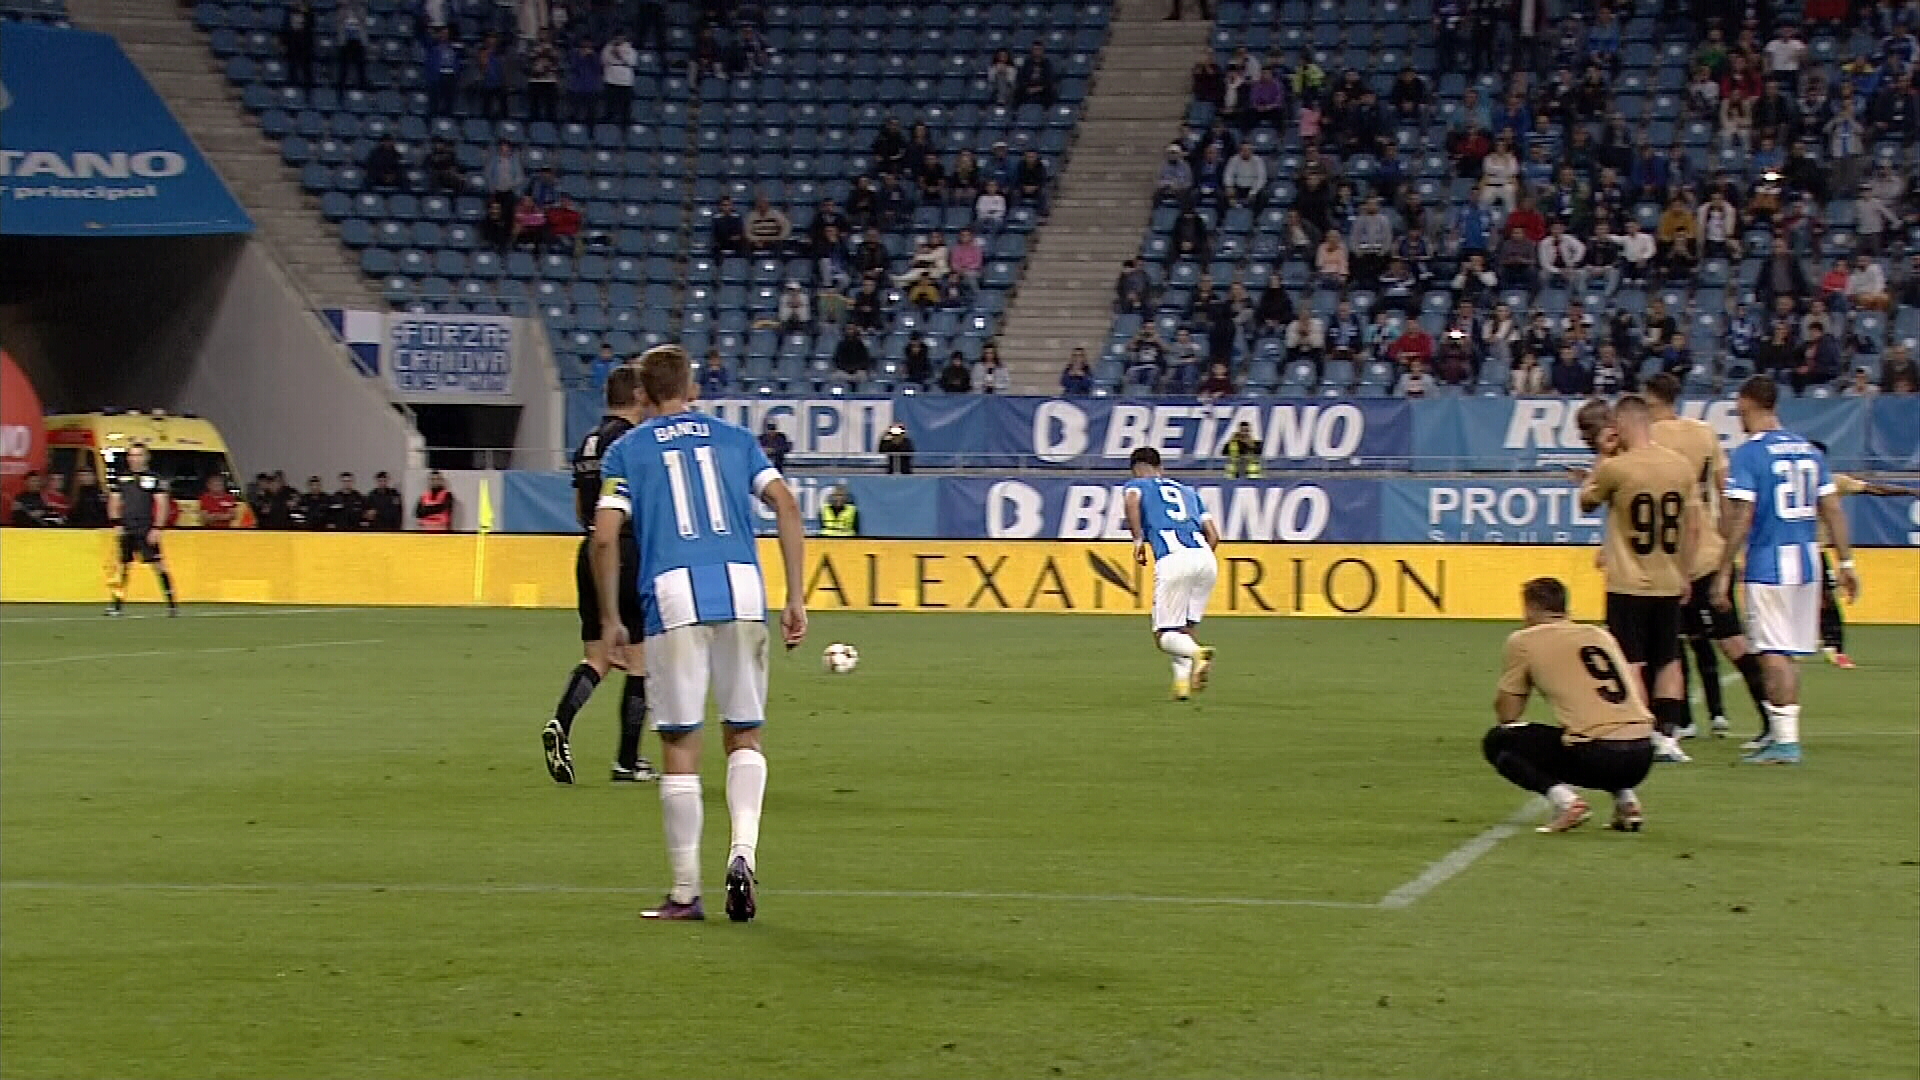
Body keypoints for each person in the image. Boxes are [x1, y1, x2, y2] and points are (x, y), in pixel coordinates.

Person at [590, 345, 809, 922]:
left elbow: (606, 536)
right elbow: (786, 506)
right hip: (742, 591)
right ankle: (743, 853)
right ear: (692, 386)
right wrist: (795, 596)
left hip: (672, 596)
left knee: (680, 745)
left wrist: (612, 618)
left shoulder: (626, 450)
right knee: (745, 734)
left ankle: (686, 892)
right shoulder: (736, 441)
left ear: (641, 394)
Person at [1714, 376, 1858, 764]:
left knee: (1772, 653)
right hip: (1808, 563)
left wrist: (1725, 569)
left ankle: (1786, 744)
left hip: (1769, 565)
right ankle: (1781, 735)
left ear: (1748, 402)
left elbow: (1743, 515)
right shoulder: (1809, 451)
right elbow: (1832, 509)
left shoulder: (1750, 453)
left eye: (1739, 406)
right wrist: (1846, 562)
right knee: (1786, 653)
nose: (1737, 413)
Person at [1642, 375, 1772, 741]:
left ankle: (1679, 722)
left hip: (1668, 555)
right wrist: (1729, 549)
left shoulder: (1646, 439)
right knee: (1727, 641)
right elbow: (1726, 492)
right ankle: (1769, 718)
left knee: (1672, 643)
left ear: (1652, 400)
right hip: (1710, 553)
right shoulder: (1704, 433)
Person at [1573, 396, 1698, 764]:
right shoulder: (1680, 467)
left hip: (1628, 581)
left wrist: (1604, 454)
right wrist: (1685, 573)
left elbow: (1586, 501)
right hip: (1668, 579)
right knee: (1668, 659)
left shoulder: (1619, 468)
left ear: (1624, 425)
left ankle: (1641, 731)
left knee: (1630, 660)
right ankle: (1668, 737)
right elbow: (1692, 527)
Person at [545, 366, 655, 786]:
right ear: (638, 396)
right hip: (624, 548)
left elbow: (579, 507)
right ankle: (627, 761)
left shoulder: (588, 441)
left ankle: (561, 722)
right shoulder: (631, 441)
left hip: (589, 549)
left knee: (598, 657)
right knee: (639, 663)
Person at [1484, 577, 1655, 834]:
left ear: (1530, 608)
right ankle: (1626, 800)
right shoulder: (1600, 634)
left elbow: (1508, 714)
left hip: (1599, 756)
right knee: (1590, 729)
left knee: (1499, 742)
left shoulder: (1524, 641)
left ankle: (1567, 803)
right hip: (1643, 755)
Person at [1122, 447, 1219, 702]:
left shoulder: (1137, 484)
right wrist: (1198, 559)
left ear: (1137, 468)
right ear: (1160, 467)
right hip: (1206, 558)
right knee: (1185, 627)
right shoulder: (1189, 493)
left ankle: (1198, 654)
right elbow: (1214, 535)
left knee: (1164, 634)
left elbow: (1131, 501)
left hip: (1173, 558)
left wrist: (1138, 540)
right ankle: (1181, 684)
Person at [106, 444, 178, 616]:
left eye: (138, 455)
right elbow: (114, 501)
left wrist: (157, 528)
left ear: (146, 457)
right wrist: (116, 524)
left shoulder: (155, 479)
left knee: (159, 566)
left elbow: (162, 504)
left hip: (146, 527)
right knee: (122, 566)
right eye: (131, 455)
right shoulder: (121, 478)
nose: (134, 459)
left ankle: (172, 604)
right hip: (127, 526)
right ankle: (116, 605)